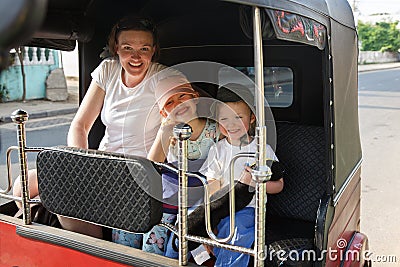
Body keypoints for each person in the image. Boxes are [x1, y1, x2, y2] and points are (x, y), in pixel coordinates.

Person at [13, 15, 178, 239]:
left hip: (137, 174)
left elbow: (172, 120)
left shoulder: (163, 77)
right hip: (101, 166)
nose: (136, 56)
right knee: (24, 182)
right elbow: (80, 124)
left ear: (154, 50)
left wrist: (148, 172)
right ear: (116, 48)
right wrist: (80, 162)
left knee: (66, 203)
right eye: (128, 47)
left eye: (144, 48)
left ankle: (98, 248)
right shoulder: (108, 70)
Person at [198, 83, 284, 266]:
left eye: (238, 117)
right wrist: (208, 219)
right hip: (222, 207)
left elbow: (279, 185)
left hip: (249, 210)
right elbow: (212, 185)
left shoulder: (261, 149)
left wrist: (257, 183)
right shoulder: (217, 150)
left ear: (252, 118)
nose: (231, 124)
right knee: (192, 220)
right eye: (225, 119)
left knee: (234, 230)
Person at [142, 75, 219, 256]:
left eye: (182, 96)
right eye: (169, 103)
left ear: (194, 98)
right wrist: (165, 129)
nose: (178, 104)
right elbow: (151, 165)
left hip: (199, 201)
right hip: (168, 199)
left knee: (181, 249)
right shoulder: (169, 133)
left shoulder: (215, 131)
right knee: (152, 247)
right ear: (163, 113)